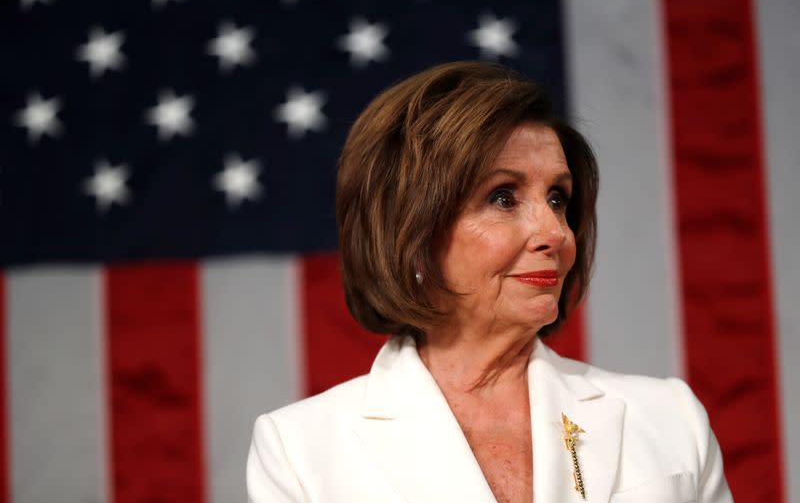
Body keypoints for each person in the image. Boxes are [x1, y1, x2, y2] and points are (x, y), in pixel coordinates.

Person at [246, 61, 734, 503]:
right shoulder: (299, 452)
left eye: (558, 199)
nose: (556, 233)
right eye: (504, 197)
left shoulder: (671, 419)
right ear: (411, 233)